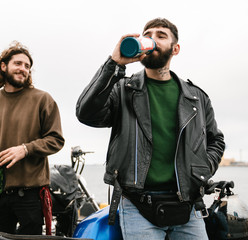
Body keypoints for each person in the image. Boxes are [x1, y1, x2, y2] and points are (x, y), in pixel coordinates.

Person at [76, 18, 225, 240]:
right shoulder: (123, 89)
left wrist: (201, 171)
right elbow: (86, 113)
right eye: (148, 34)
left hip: (188, 205)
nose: (152, 39)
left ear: (175, 49)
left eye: (161, 35)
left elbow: (216, 140)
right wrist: (114, 63)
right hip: (137, 205)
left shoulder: (197, 97)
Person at [0, 41, 65, 235]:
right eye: (18, 64)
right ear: (3, 66)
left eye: (27, 66)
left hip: (30, 196)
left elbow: (56, 139)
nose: (24, 69)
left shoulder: (42, 99)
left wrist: (25, 149)